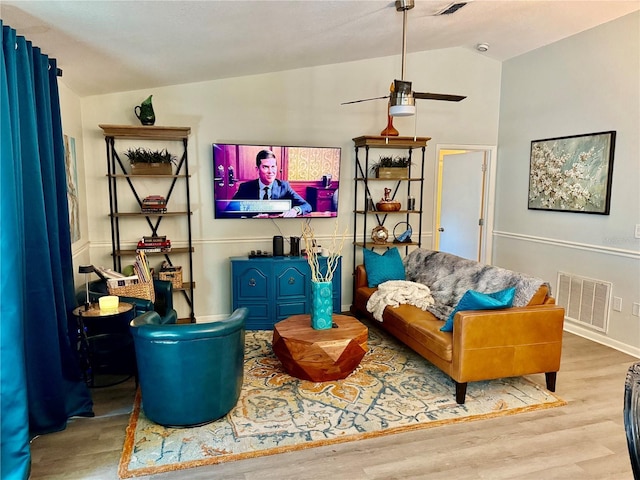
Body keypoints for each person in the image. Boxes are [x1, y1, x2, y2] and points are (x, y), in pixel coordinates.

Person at [232, 149, 311, 217]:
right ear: (257, 169)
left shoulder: (284, 186)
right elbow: (230, 210)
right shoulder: (245, 188)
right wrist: (252, 218)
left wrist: (295, 210)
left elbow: (306, 206)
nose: (270, 171)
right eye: (265, 167)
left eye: (273, 167)